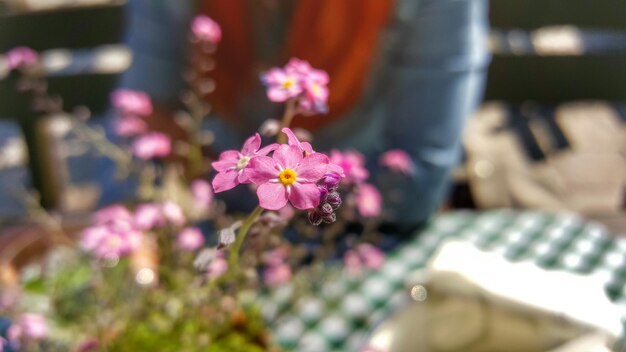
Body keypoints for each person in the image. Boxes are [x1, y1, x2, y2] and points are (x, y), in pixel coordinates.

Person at [119, 0, 491, 232]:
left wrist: (265, 188)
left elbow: (417, 186)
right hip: (219, 238)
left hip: (362, 239)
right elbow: (139, 120)